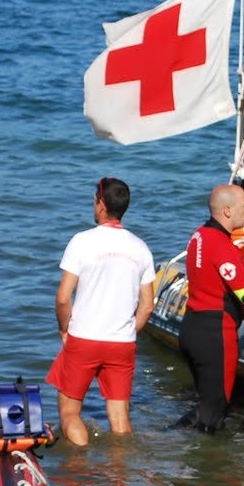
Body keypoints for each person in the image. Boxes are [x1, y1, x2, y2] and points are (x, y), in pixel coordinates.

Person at [47, 177, 155, 447]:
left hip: (84, 338)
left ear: (102, 205)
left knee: (70, 413)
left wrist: (64, 330)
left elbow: (63, 298)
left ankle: (81, 471)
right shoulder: (141, 248)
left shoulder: (82, 241)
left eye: (95, 199)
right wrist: (128, 330)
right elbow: (147, 305)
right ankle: (118, 483)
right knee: (120, 419)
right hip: (122, 343)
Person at [180, 184, 244, 432]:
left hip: (192, 327)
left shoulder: (199, 235)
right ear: (227, 211)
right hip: (215, 335)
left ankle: (174, 441)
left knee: (206, 404)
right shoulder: (221, 244)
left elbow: (212, 284)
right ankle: (211, 468)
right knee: (216, 409)